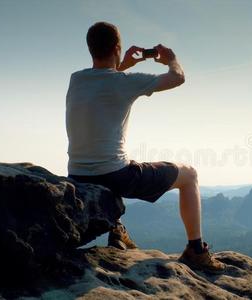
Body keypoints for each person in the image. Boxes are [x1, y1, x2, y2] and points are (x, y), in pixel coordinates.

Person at [66, 21, 225, 274]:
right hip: (114, 176)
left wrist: (124, 63)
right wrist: (172, 58)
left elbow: (105, 78)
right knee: (190, 175)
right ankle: (196, 250)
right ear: (118, 47)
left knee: (111, 157)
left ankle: (117, 230)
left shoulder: (76, 80)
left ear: (89, 48)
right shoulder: (124, 81)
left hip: (76, 175)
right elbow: (177, 78)